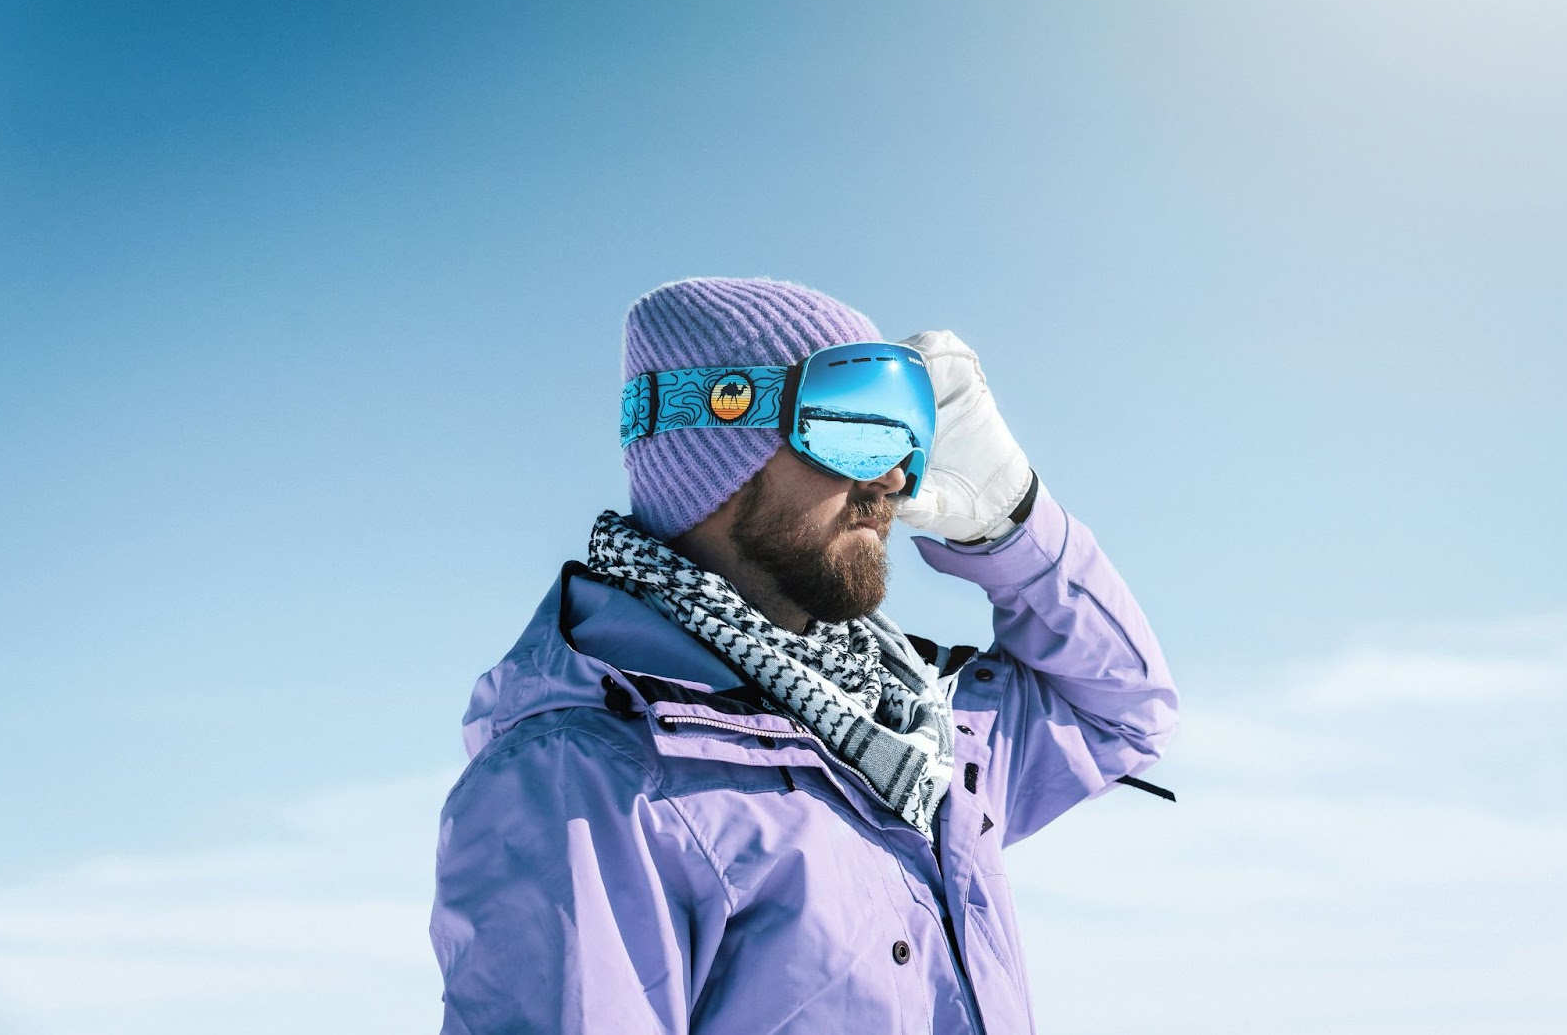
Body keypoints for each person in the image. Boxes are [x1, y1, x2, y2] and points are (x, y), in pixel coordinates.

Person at [429, 277, 1178, 1033]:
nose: (890, 477)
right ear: (717, 439)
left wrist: (1015, 518)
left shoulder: (915, 738)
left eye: (907, 438)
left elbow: (1122, 713)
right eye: (855, 430)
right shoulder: (582, 782)